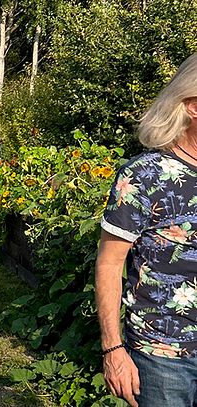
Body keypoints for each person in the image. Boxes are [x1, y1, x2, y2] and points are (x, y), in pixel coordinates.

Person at [95, 53, 197, 407]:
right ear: (192, 106)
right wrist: (113, 348)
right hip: (163, 356)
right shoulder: (144, 176)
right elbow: (109, 264)